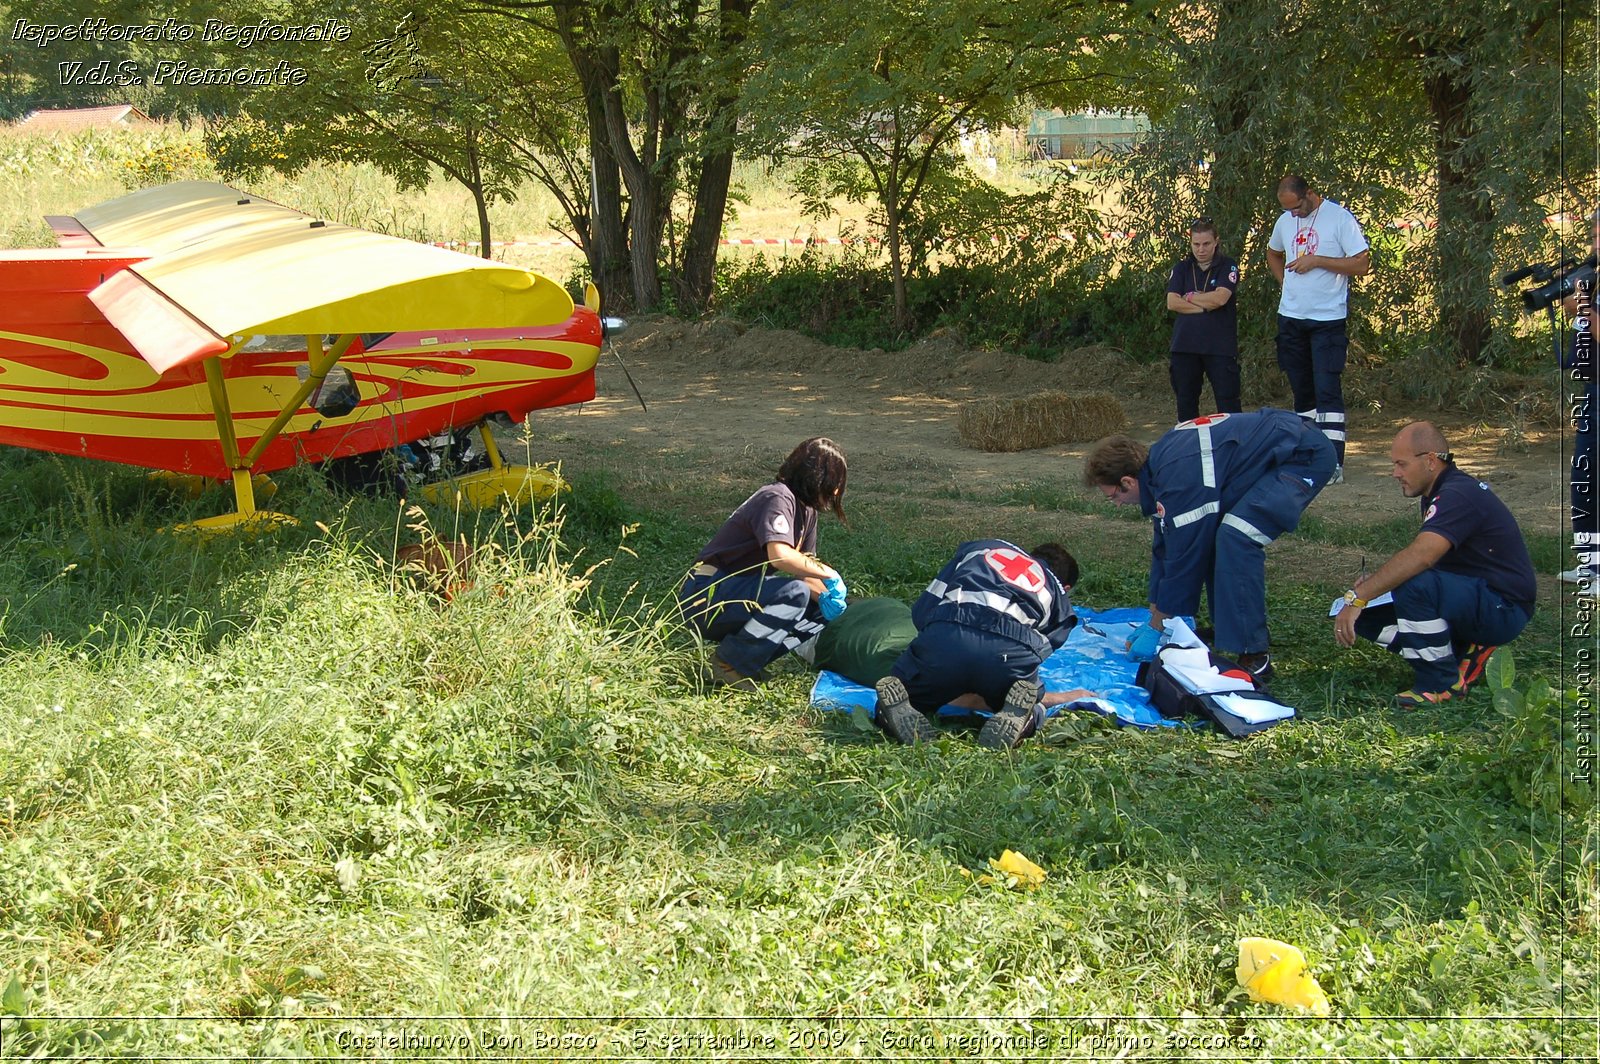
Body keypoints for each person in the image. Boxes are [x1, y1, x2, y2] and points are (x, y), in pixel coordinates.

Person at [1084, 409, 1336, 679]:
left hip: (1302, 456)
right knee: (1216, 534)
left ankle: (1254, 654)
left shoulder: (1179, 478)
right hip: (1282, 448)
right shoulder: (1161, 470)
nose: (1117, 504)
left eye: (1113, 496)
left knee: (1236, 537)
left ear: (1128, 481)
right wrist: (1155, 611)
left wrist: (1157, 627)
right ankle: (1232, 628)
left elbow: (1185, 557)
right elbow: (1165, 545)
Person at [1333, 422, 1537, 708]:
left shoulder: (1456, 494)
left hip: (1503, 606)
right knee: (1360, 611)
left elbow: (1422, 556)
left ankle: (1441, 684)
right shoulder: (1440, 490)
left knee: (1410, 587)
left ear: (1430, 460)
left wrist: (1361, 595)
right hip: (1476, 595)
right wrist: (1366, 595)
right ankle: (1454, 654)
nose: (1395, 473)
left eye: (1401, 464)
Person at [678, 437, 848, 691]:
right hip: (705, 593)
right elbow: (779, 556)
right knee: (795, 594)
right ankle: (727, 664)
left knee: (817, 608)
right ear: (816, 477)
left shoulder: (807, 512)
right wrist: (829, 573)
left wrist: (829, 599)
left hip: (738, 594)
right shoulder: (777, 497)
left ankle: (744, 663)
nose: (836, 492)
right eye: (835, 482)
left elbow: (804, 568)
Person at [873, 541, 1079, 750]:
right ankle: (1027, 719)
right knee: (1026, 698)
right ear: (1066, 586)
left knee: (908, 692)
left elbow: (923, 609)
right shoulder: (1055, 588)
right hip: (1008, 654)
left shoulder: (983, 548)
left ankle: (898, 708)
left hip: (948, 636)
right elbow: (1051, 640)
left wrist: (937, 643)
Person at [1265, 175, 1370, 480]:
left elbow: (1362, 264)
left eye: (1297, 207)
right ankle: (1309, 455)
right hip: (1291, 317)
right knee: (1302, 392)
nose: (1293, 214)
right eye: (1288, 209)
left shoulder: (1339, 217)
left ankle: (1334, 462)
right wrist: (1285, 283)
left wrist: (1318, 261)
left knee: (1327, 391)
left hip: (1327, 320)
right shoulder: (1285, 220)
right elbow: (1273, 252)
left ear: (1310, 193)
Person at [1165, 218, 1241, 423]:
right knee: (1186, 401)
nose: (1201, 249)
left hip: (1219, 347)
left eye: (1206, 244)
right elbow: (1172, 302)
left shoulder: (1228, 266)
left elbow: (1220, 298)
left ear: (1216, 241)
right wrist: (1205, 306)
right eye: (1196, 244)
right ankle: (1188, 447)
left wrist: (1189, 297)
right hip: (1185, 345)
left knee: (1228, 404)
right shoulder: (1182, 268)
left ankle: (1233, 449)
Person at [1558, 212, 1599, 594]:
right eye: (1594, 236)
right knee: (1584, 475)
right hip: (1593, 389)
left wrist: (1584, 306)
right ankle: (1589, 563)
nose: (1596, 244)